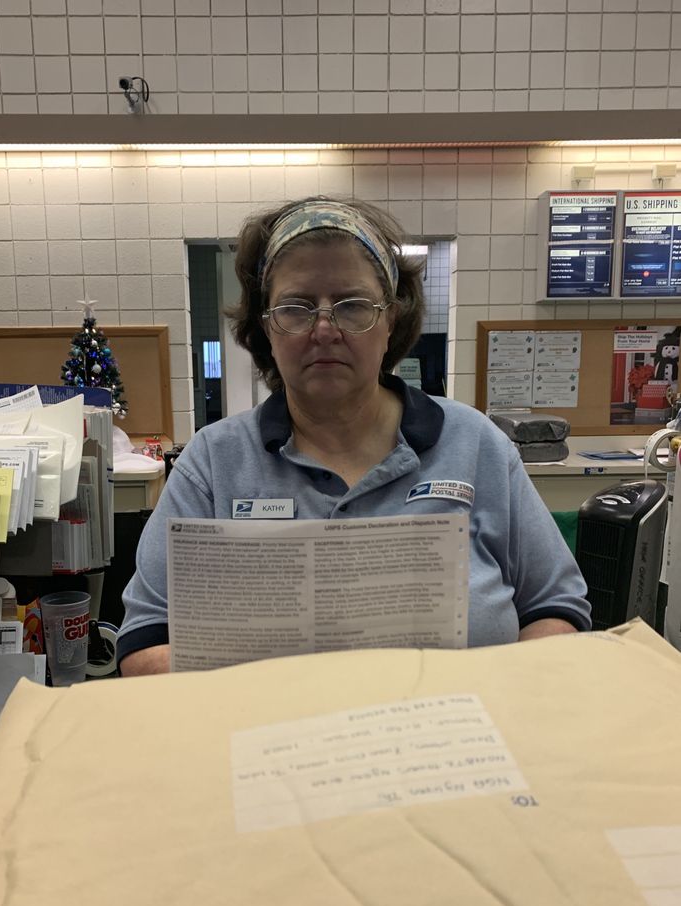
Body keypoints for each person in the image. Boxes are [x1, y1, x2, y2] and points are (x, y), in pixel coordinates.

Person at [117, 197, 591, 676]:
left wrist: (502, 695)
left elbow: (556, 606)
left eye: (353, 306)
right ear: (267, 328)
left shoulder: (475, 444)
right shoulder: (213, 463)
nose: (325, 329)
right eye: (296, 308)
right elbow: (145, 640)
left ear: (390, 321)